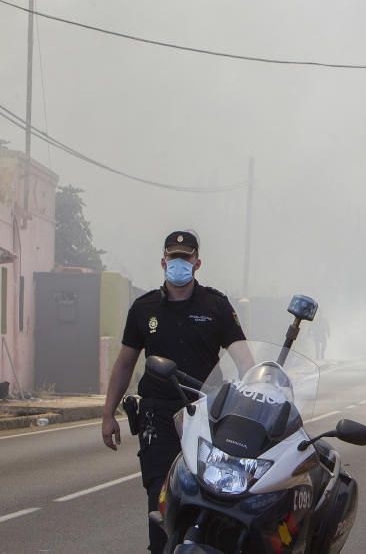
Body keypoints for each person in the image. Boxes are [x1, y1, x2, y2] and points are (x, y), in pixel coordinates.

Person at [101, 231, 253, 553]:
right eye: (174, 257)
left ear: (197, 263)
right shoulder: (144, 309)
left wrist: (255, 397)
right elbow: (125, 364)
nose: (179, 263)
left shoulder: (216, 305)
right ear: (163, 261)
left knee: (213, 499)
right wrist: (107, 414)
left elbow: (244, 361)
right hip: (159, 418)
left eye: (186, 258)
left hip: (208, 418)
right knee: (161, 501)